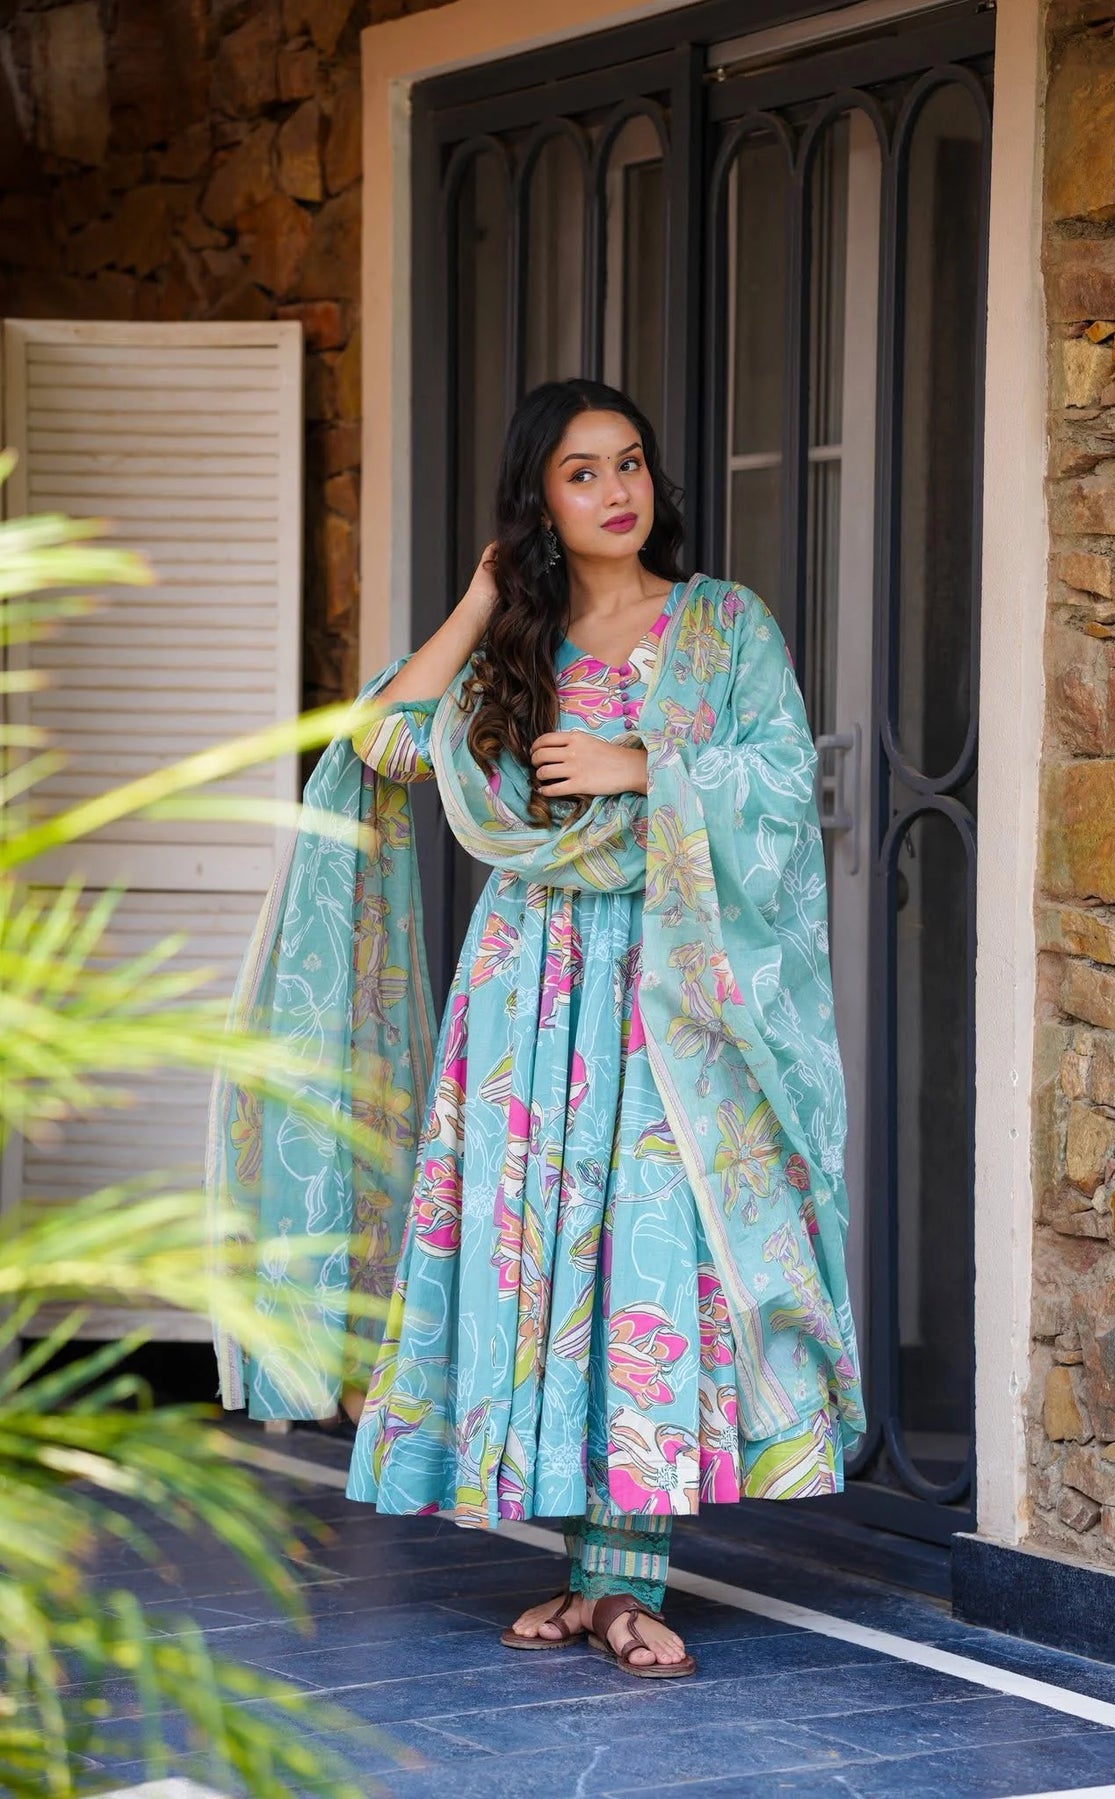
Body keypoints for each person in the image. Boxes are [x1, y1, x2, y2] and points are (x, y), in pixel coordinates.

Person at [209, 377, 864, 1681]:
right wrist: (480, 598)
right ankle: (591, 1575)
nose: (618, 491)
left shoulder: (723, 625)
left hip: (674, 991)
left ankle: (625, 1584)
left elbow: (787, 783)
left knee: (647, 1261)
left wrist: (645, 768)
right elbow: (380, 747)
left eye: (631, 463)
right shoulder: (514, 652)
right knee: (546, 1264)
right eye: (582, 472)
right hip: (527, 990)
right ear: (538, 502)